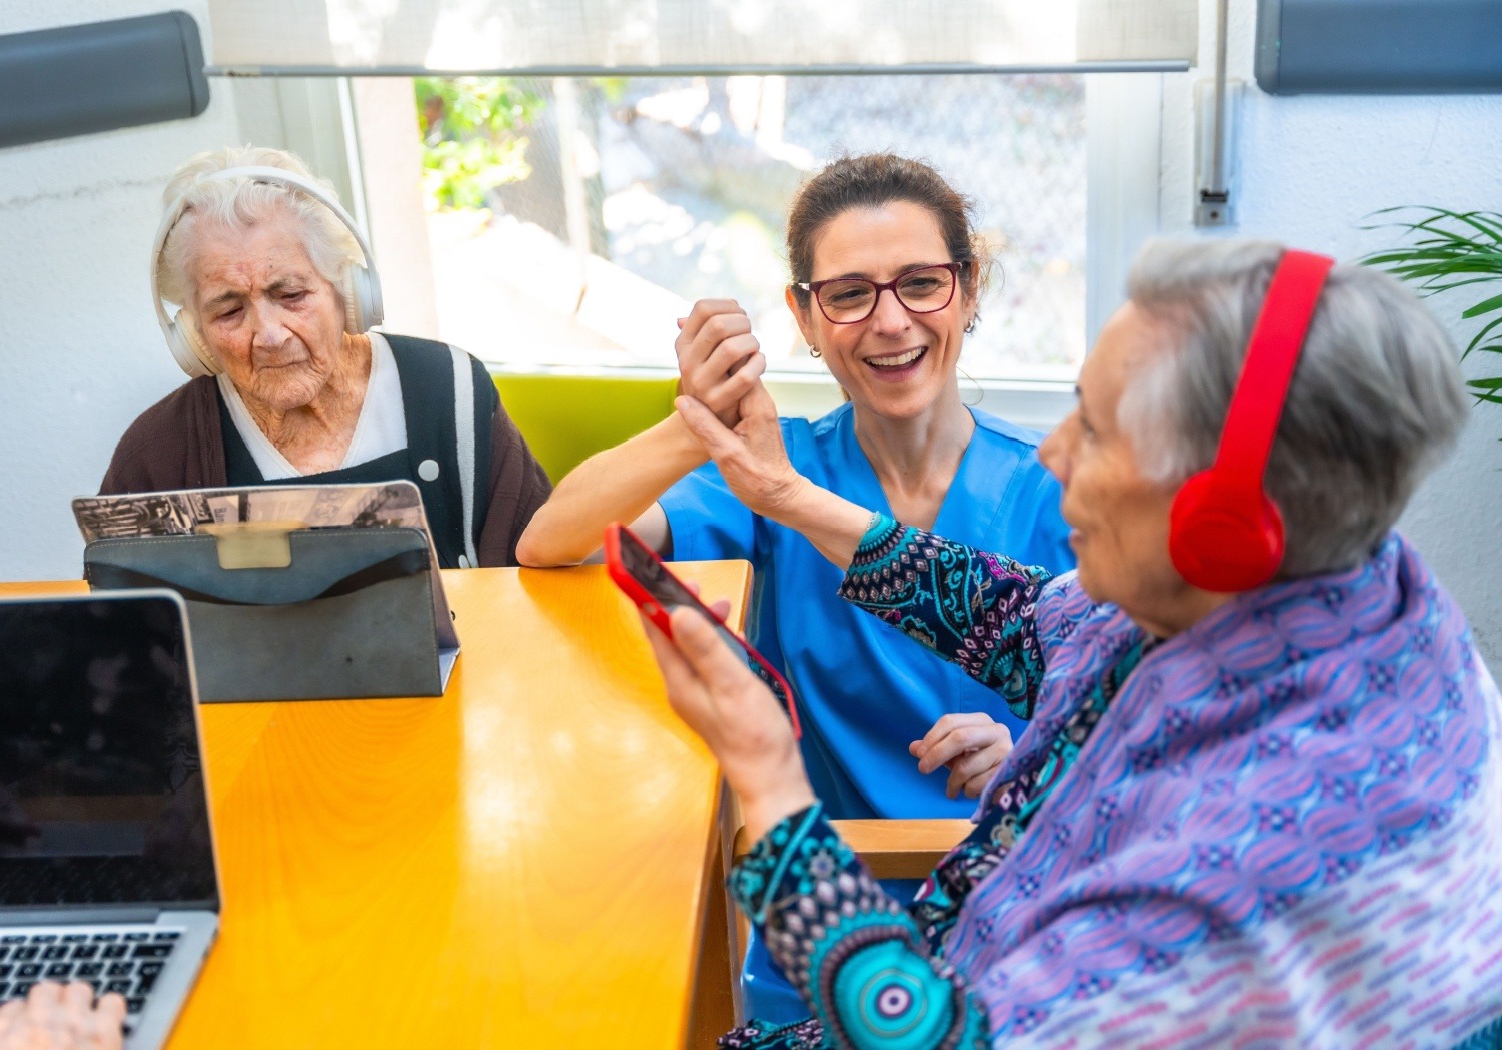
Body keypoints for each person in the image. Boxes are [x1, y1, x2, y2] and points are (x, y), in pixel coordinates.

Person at [641, 238, 1502, 1048]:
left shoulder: (1240, 861)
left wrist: (769, 780)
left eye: (1092, 430)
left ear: (1225, 525)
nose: (1052, 456)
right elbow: (1020, 621)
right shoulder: (1319, 582)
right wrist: (784, 494)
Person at [521, 154, 1073, 1019]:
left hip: (1013, 920)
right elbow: (554, 545)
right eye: (850, 294)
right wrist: (695, 419)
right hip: (818, 923)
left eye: (922, 284)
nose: (890, 322)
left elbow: (1132, 710)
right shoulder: (779, 470)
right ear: (805, 317)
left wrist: (1029, 760)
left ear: (969, 291)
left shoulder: (1060, 485)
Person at [100, 146, 550, 568]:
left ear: (348, 291)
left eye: (291, 294)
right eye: (229, 310)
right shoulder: (155, 455)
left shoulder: (448, 388)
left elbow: (538, 571)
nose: (270, 335)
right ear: (194, 335)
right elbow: (126, 635)